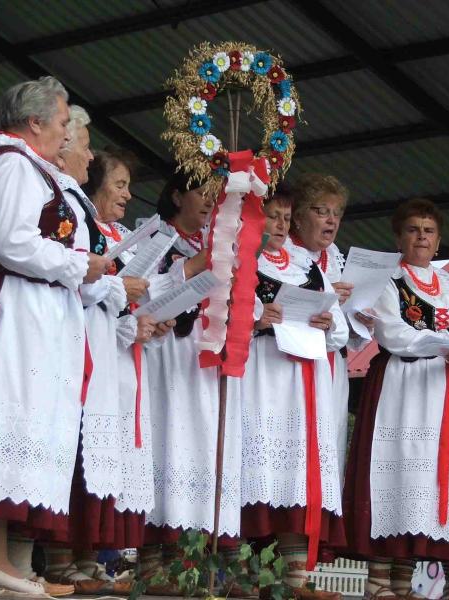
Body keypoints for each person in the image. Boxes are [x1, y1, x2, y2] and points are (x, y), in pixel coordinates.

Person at [0, 76, 109, 595]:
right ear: (34, 122)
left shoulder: (24, 166)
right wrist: (78, 262)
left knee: (23, 428)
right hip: (11, 308)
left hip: (33, 311)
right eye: (61, 119)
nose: (65, 131)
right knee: (2, 427)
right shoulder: (10, 163)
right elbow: (11, 242)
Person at [344, 198, 449, 600]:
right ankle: (378, 583)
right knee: (398, 475)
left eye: (428, 230)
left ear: (439, 241)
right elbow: (391, 332)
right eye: (413, 229)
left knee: (426, 481)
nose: (421, 237)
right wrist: (445, 346)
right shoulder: (388, 280)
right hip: (402, 388)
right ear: (399, 238)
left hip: (445, 392)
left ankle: (403, 585)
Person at [238, 185, 348, 597]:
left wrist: (327, 325)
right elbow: (223, 312)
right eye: (273, 216)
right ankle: (244, 578)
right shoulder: (240, 258)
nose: (281, 225)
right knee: (258, 471)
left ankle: (296, 580)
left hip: (304, 380)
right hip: (261, 376)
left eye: (286, 217)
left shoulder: (307, 265)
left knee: (296, 479)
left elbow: (339, 330)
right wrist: (256, 317)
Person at [139, 170, 241, 585]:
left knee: (201, 451)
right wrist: (198, 265)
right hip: (165, 352)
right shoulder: (153, 237)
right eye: (202, 192)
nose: (209, 202)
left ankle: (190, 563)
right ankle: (149, 561)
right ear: (177, 194)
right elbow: (140, 289)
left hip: (206, 358)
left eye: (215, 196)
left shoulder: (216, 245)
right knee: (166, 446)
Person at [286, 174, 354, 482]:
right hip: (294, 363)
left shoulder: (336, 256)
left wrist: (358, 314)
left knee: (328, 444)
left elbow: (348, 329)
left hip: (331, 364)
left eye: (337, 213)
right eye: (321, 211)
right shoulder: (284, 251)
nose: (331, 220)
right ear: (298, 216)